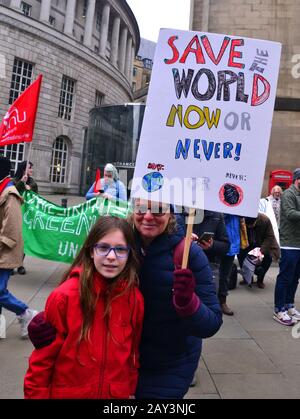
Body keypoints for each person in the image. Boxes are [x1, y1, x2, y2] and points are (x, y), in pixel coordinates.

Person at [27, 199, 222, 399]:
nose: (148, 216)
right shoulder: (119, 238)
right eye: (141, 208)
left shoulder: (189, 255)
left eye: (158, 210)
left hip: (166, 365)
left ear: (170, 213)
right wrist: (50, 324)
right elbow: (86, 287)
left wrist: (188, 303)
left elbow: (211, 323)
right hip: (116, 362)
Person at [24, 216, 144, 399]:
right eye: (103, 248)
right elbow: (42, 363)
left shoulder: (134, 299)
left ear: (129, 255)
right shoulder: (64, 297)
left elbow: (132, 355)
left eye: (120, 249)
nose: (111, 256)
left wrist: (128, 388)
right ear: (91, 251)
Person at [0, 156, 37, 338]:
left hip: (4, 253)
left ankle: (25, 313)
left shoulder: (10, 193)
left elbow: (11, 231)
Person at [274, 168, 300, 326]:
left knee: (295, 277)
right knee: (285, 277)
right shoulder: (289, 194)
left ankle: (289, 305)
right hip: (289, 243)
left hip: (298, 243)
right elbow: (290, 214)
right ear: (298, 179)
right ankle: (279, 309)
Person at [192, 211, 230, 314]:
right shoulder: (180, 212)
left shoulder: (216, 216)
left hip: (210, 266)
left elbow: (226, 246)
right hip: (185, 266)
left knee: (208, 310)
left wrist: (212, 245)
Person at [238, 213, 280, 289]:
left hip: (262, 244)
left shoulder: (265, 220)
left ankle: (260, 280)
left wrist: (261, 251)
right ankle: (247, 278)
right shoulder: (241, 220)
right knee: (241, 256)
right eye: (248, 225)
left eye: (251, 225)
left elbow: (269, 236)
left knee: (267, 258)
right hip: (247, 244)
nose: (249, 227)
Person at [13, 161, 38, 275]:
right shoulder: (14, 181)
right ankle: (9, 265)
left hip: (27, 215)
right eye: (30, 168)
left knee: (24, 240)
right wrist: (21, 183)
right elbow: (12, 193)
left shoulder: (33, 183)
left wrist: (30, 189)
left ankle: (20, 264)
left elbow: (37, 198)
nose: (32, 170)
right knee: (13, 240)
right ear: (24, 169)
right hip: (15, 213)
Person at [219, 214, 241, 315]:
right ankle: (212, 301)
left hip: (232, 242)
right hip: (218, 241)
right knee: (213, 274)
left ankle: (223, 301)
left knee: (225, 276)